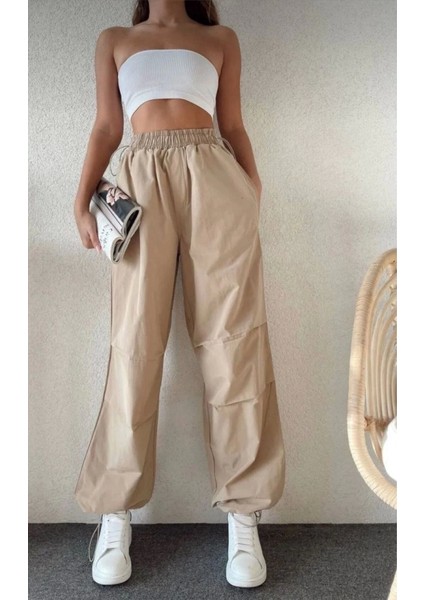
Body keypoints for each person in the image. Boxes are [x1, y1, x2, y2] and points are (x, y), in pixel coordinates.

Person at [73, 0, 286, 589]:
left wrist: (251, 190)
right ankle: (115, 513)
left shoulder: (221, 39)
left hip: (214, 181)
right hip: (139, 183)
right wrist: (82, 198)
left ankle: (244, 512)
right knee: (134, 345)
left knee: (233, 343)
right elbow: (107, 127)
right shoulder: (114, 39)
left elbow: (233, 124)